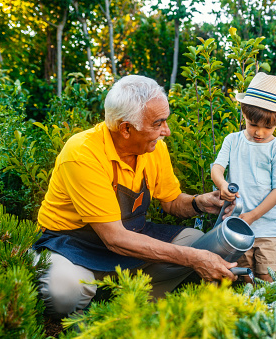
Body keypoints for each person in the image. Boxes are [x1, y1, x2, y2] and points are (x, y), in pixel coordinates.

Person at [33, 75, 238, 319]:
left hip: (129, 236)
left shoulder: (153, 148)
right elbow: (114, 238)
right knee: (63, 293)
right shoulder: (82, 153)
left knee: (195, 239)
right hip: (72, 243)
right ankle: (83, 301)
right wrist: (194, 259)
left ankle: (127, 307)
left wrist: (199, 203)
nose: (167, 131)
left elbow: (171, 201)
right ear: (126, 128)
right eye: (158, 123)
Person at [211, 72, 276, 283]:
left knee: (267, 276)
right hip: (239, 225)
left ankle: (271, 314)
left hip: (269, 228)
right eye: (253, 124)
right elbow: (217, 168)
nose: (260, 132)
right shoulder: (232, 140)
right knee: (245, 276)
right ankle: (251, 313)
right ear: (244, 114)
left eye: (268, 127)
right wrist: (222, 184)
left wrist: (254, 215)